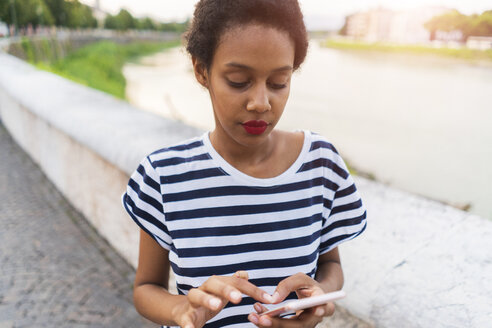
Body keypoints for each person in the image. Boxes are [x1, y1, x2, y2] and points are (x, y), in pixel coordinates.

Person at [122, 0, 367, 327]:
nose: (261, 103)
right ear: (201, 70)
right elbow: (146, 288)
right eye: (238, 81)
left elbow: (331, 266)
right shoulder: (163, 176)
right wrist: (181, 310)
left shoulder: (321, 165)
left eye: (279, 82)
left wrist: (320, 293)